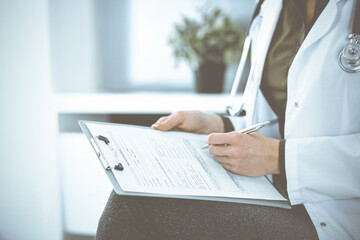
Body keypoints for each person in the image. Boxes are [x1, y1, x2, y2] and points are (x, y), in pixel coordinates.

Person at [95, 0, 360, 239]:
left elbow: (282, 147)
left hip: (337, 220)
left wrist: (280, 159)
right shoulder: (274, 8)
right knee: (137, 192)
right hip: (273, 196)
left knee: (138, 204)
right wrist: (218, 125)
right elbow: (284, 118)